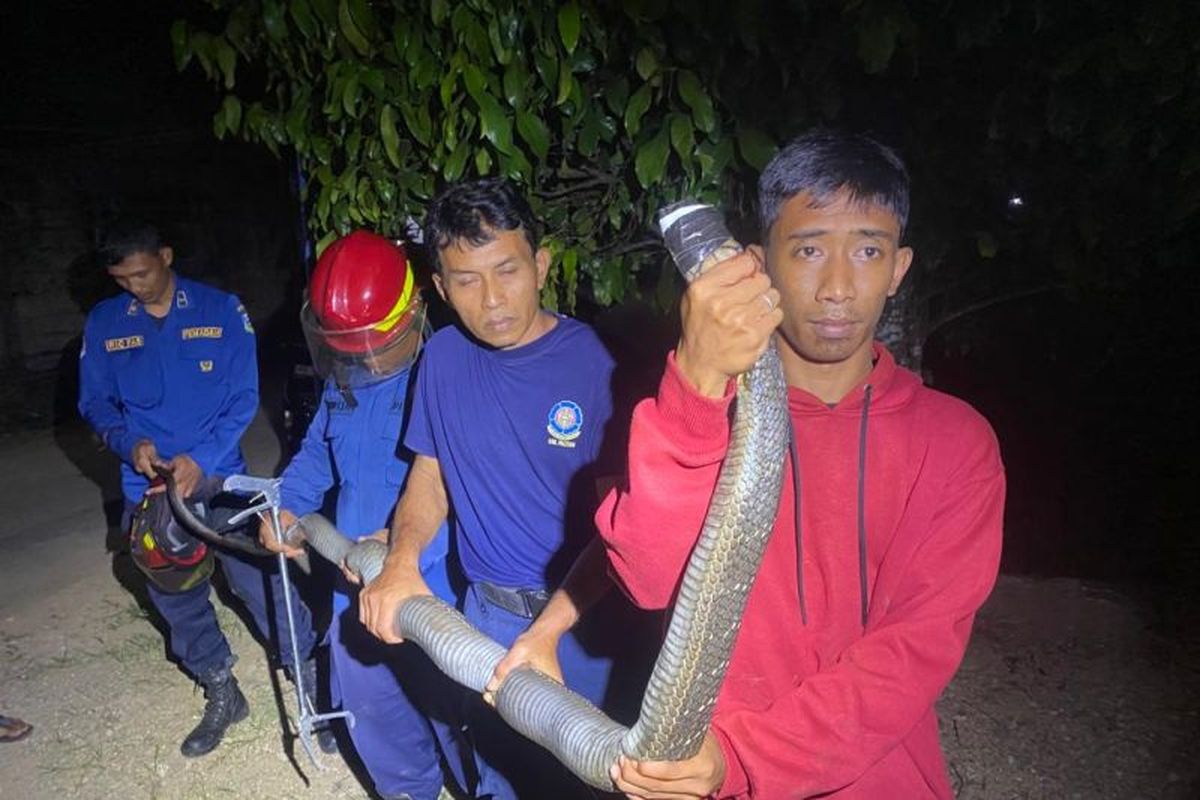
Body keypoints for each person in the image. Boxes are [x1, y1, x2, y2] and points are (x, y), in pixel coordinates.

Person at [598, 130, 1005, 799]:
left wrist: (744, 758)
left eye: (868, 250)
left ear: (899, 268)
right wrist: (696, 385)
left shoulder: (956, 443)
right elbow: (646, 581)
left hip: (874, 781)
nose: (839, 288)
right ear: (759, 265)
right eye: (810, 249)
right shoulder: (700, 412)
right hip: (707, 775)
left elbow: (914, 650)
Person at [358, 177, 633, 799]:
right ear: (440, 288)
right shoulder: (444, 357)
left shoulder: (601, 365)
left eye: (506, 270)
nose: (492, 299)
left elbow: (627, 527)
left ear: (540, 264)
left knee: (592, 783)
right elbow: (431, 470)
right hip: (483, 617)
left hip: (584, 627)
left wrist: (552, 630)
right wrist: (401, 562)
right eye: (466, 280)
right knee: (500, 776)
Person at [78, 218, 324, 757]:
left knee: (262, 581)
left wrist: (203, 461)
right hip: (148, 487)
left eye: (141, 274)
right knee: (176, 596)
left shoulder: (220, 310)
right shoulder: (104, 323)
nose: (134, 288)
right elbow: (94, 403)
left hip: (220, 478)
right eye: (121, 280)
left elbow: (242, 397)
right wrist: (128, 443)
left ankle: (308, 677)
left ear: (166, 256)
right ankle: (221, 688)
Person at [259, 230, 470, 800]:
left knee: (461, 719)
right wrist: (288, 506)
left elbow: (473, 490)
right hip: (355, 585)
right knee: (372, 709)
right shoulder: (343, 382)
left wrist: (400, 541)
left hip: (437, 588)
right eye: (352, 349)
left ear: (416, 309)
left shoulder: (454, 375)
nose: (368, 360)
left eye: (378, 345)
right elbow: (316, 455)